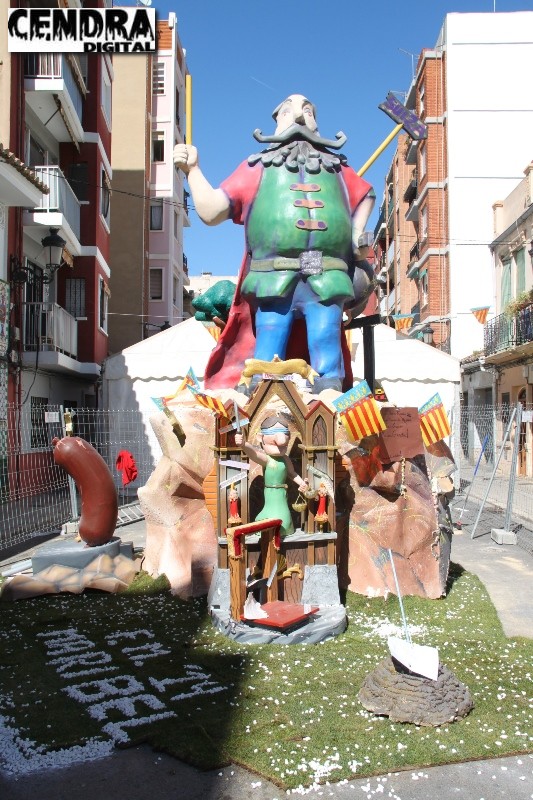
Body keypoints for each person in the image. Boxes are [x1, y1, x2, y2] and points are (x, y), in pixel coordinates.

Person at [174, 94, 375, 393]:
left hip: (328, 275)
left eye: (307, 111)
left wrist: (357, 233)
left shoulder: (338, 169)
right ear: (277, 121)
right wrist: (194, 171)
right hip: (272, 276)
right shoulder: (255, 168)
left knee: (326, 339)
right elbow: (212, 210)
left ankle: (329, 397)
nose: (299, 118)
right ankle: (263, 396)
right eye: (288, 112)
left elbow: (367, 195)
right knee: (269, 340)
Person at [235, 415, 309, 537]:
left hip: (282, 492)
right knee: (273, 514)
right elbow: (254, 454)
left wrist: (302, 483)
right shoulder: (267, 459)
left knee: (284, 518)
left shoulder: (285, 459)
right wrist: (244, 444)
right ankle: (266, 526)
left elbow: (292, 474)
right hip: (270, 492)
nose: (280, 445)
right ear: (261, 438)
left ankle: (281, 529)